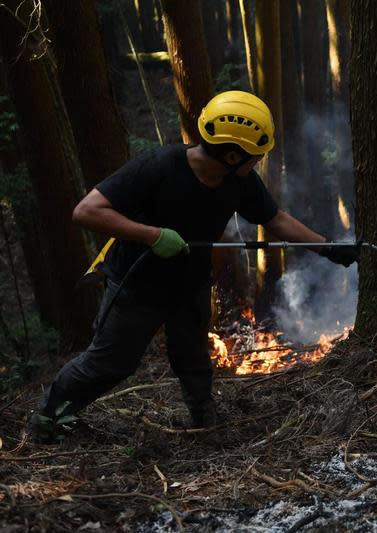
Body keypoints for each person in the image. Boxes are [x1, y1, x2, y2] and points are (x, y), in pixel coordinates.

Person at [31, 91, 357, 436]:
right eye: (256, 155)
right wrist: (152, 235)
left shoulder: (240, 180)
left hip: (191, 284)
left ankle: (204, 420)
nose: (260, 160)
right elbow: (86, 211)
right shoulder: (159, 166)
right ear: (232, 154)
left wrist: (328, 248)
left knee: (194, 357)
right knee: (112, 362)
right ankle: (49, 416)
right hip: (138, 284)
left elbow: (274, 218)